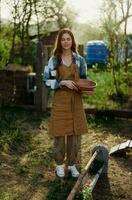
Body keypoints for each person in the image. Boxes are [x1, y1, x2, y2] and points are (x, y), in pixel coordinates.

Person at [43, 28, 93, 178]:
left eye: (68, 39)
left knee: (75, 133)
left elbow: (84, 79)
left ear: (72, 41)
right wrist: (62, 82)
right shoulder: (53, 60)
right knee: (59, 132)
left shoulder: (80, 60)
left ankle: (71, 165)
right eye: (63, 39)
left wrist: (86, 88)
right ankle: (59, 165)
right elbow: (46, 81)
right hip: (60, 101)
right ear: (60, 42)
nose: (66, 42)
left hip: (76, 101)